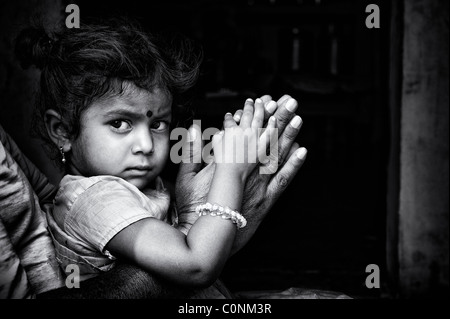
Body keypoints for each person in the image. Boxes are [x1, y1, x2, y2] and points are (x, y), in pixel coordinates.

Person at [3, 17, 308, 297]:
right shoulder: (96, 199)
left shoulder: (143, 188)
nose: (146, 144)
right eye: (120, 123)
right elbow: (196, 265)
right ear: (63, 132)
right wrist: (231, 170)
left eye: (157, 124)